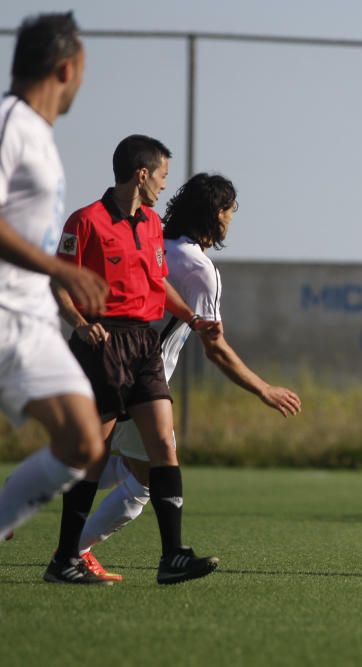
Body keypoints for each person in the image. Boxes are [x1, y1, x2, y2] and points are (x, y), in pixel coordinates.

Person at [76, 173, 302, 578]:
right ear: (217, 214)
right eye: (230, 211)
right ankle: (76, 549)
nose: (232, 219)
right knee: (147, 477)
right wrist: (264, 389)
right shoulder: (199, 269)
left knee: (113, 463)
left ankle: (29, 502)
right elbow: (215, 348)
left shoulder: (152, 244)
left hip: (105, 364)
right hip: (143, 380)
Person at [47, 134, 221, 585]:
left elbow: (158, 281)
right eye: (162, 175)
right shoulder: (84, 221)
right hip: (101, 343)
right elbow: (59, 284)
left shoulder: (149, 225)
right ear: (141, 174)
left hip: (143, 345)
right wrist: (81, 323)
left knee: (163, 445)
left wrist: (193, 318)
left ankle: (173, 558)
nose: (165, 184)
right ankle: (65, 558)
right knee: (92, 455)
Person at [0, 13, 113, 585]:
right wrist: (59, 269)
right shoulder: (9, 123)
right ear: (66, 69)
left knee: (82, 441)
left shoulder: (41, 136)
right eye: (84, 73)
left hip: (34, 320)